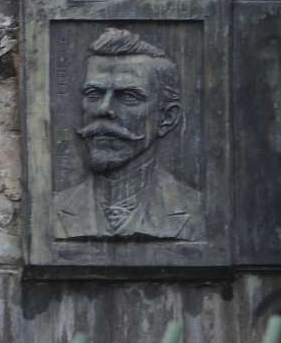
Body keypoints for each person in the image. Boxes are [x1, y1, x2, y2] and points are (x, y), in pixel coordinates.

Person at [53, 28, 201, 241]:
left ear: (167, 118)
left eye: (128, 96)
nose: (103, 109)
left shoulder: (199, 210)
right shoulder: (52, 210)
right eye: (94, 94)